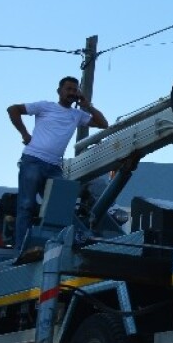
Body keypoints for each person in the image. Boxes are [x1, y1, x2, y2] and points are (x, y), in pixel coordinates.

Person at [7, 77, 108, 251]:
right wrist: (24, 134)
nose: (72, 93)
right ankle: (20, 249)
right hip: (33, 160)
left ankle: (52, 246)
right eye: (68, 89)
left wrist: (87, 105)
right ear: (59, 91)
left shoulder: (77, 115)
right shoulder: (45, 106)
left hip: (54, 166)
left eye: (75, 90)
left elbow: (103, 123)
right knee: (26, 205)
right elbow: (13, 109)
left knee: (59, 207)